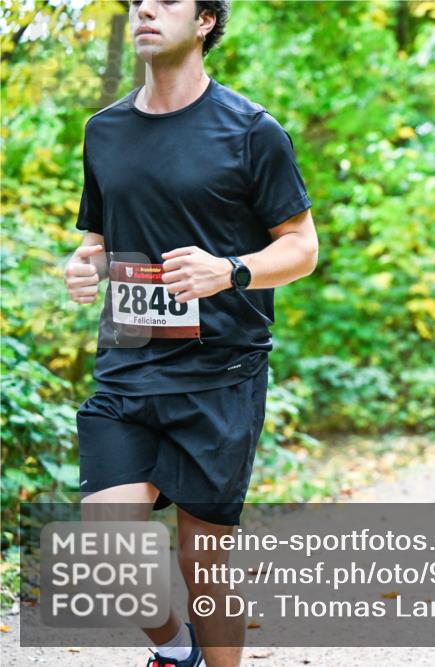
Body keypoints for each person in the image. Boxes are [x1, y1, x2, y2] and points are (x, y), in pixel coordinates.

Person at [62, 1, 318, 665]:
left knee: (202, 564)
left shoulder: (251, 131)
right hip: (129, 367)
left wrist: (229, 271)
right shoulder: (104, 130)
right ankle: (179, 653)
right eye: (137, 0)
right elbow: (98, 238)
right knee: (107, 549)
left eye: (167, 0)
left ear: (205, 21)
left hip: (220, 374)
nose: (145, 8)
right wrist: (85, 263)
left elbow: (302, 248)